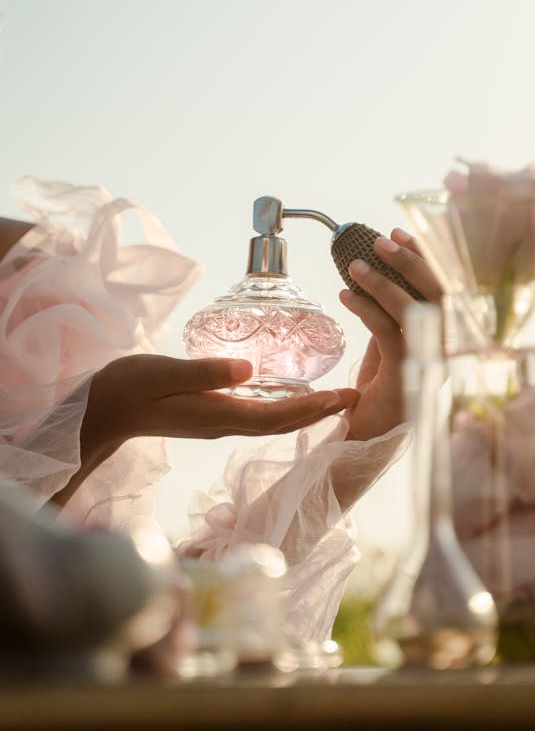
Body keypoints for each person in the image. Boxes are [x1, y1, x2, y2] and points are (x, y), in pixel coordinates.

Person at [0, 175, 442, 651]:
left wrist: (368, 433)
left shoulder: (40, 288)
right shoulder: (48, 299)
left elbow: (177, 611)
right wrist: (96, 422)